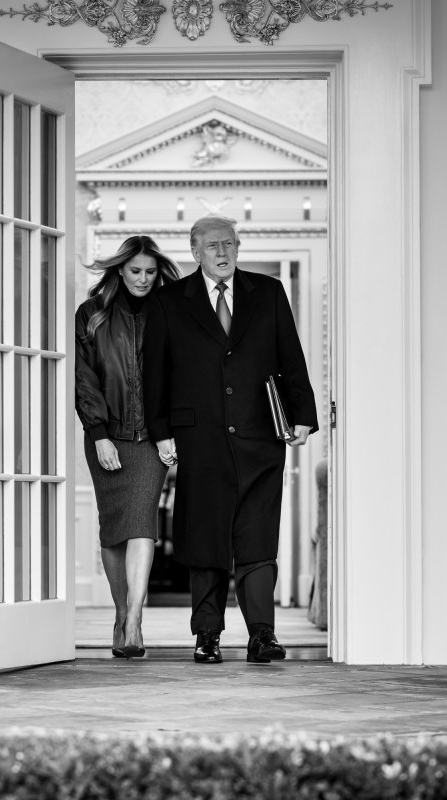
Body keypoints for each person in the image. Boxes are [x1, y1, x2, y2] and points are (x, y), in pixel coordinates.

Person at [143, 216, 318, 665]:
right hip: (198, 439)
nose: (223, 253)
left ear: (238, 247)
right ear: (195, 251)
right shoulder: (167, 301)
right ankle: (207, 635)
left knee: (258, 536)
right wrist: (161, 432)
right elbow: (156, 375)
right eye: (213, 246)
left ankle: (263, 635)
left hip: (261, 435)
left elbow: (290, 356)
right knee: (206, 538)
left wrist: (303, 414)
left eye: (229, 244)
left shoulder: (269, 292)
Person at [75, 236, 181, 659]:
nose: (143, 279)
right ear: (120, 270)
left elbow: (181, 376)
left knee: (141, 523)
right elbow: (84, 377)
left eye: (151, 272)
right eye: (135, 271)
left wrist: (174, 431)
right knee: (114, 529)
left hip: (153, 439)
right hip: (108, 435)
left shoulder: (172, 312)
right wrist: (99, 433)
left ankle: (135, 618)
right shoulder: (94, 313)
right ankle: (121, 613)